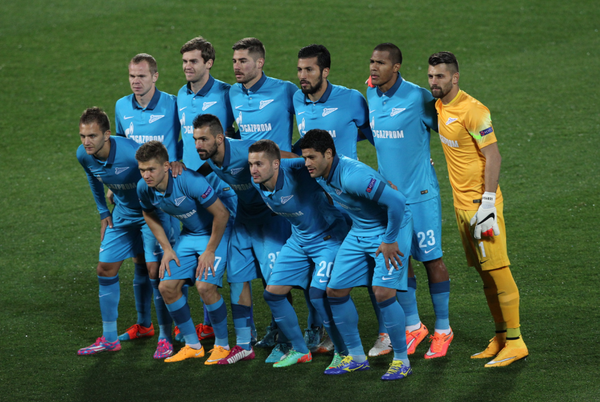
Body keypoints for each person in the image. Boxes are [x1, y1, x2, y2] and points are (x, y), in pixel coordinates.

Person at [427, 51, 528, 367]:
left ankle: (516, 342)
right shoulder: (440, 105)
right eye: (430, 76)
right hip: (461, 206)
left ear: (455, 77)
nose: (434, 82)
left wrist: (487, 203)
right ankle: (500, 336)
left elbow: (493, 156)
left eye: (440, 76)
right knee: (485, 276)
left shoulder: (473, 111)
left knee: (499, 271)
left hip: (481, 206)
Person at [299, 129, 414, 381]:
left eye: (311, 157)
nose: (306, 163)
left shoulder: (353, 177)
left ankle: (402, 361)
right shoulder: (319, 172)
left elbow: (397, 201)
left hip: (390, 229)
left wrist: (390, 240)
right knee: (335, 291)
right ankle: (357, 358)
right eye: (304, 157)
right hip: (360, 230)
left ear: (328, 154)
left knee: (383, 293)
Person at [366, 43, 453, 359]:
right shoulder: (371, 93)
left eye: (380, 63)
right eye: (372, 62)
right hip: (391, 201)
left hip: (421, 197)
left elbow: (448, 129)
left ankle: (443, 329)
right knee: (399, 261)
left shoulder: (418, 98)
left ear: (396, 67)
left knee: (432, 260)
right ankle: (414, 326)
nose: (373, 68)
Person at [193, 114, 292, 364]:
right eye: (195, 140)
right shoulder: (211, 156)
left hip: (271, 219)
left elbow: (285, 158)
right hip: (244, 219)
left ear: (219, 138)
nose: (198, 145)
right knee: (237, 279)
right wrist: (184, 172)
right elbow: (209, 168)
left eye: (203, 139)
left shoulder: (245, 151)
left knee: (276, 282)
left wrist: (319, 173)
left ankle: (286, 341)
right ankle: (244, 345)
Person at [247, 139, 349, 369]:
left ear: (276, 164)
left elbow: (332, 164)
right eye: (251, 164)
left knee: (318, 296)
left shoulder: (296, 169)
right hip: (299, 240)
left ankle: (343, 353)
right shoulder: (257, 181)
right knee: (273, 294)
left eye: (259, 164)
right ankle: (301, 350)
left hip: (327, 238)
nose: (253, 169)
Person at [76, 107, 168, 358]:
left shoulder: (130, 153)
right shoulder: (84, 155)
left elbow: (159, 176)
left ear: (107, 135)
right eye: (83, 136)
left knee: (154, 270)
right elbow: (93, 177)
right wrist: (103, 212)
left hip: (151, 212)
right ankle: (110, 338)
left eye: (92, 136)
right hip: (123, 214)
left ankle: (165, 336)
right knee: (105, 268)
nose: (86, 142)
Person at [136, 141, 231, 364]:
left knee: (205, 287)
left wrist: (210, 250)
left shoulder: (189, 181)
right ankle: (193, 346)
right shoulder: (144, 188)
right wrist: (167, 249)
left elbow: (222, 214)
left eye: (151, 169)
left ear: (166, 166)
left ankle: (223, 345)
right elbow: (148, 213)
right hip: (189, 235)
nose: (146, 175)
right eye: (142, 170)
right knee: (166, 287)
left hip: (214, 234)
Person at [114, 53, 181, 348]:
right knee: (140, 262)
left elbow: (187, 138)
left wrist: (179, 163)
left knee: (165, 264)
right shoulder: (121, 106)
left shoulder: (172, 104)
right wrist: (115, 185)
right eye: (132, 76)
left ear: (155, 76)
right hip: (133, 195)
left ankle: (176, 327)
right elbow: (120, 146)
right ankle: (144, 325)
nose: (136, 81)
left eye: (141, 76)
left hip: (165, 194)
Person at [177, 36, 237, 340]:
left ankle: (234, 329)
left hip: (220, 185)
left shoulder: (227, 94)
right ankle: (207, 324)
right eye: (184, 61)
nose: (187, 66)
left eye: (194, 61)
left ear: (209, 63)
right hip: (190, 187)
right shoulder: (180, 94)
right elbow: (181, 139)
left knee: (226, 258)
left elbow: (236, 135)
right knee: (199, 251)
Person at [294, 44, 372, 160]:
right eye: (300, 70)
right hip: (312, 171)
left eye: (309, 70)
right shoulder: (297, 98)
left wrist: (348, 135)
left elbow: (374, 135)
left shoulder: (351, 99)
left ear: (325, 72)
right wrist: (293, 152)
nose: (303, 76)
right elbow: (307, 138)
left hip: (344, 172)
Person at [230, 37, 297, 152]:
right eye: (234, 61)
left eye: (243, 61)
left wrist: (296, 152)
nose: (236, 67)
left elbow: (311, 123)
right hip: (249, 163)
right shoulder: (233, 92)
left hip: (280, 163)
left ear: (259, 63)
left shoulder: (284, 90)